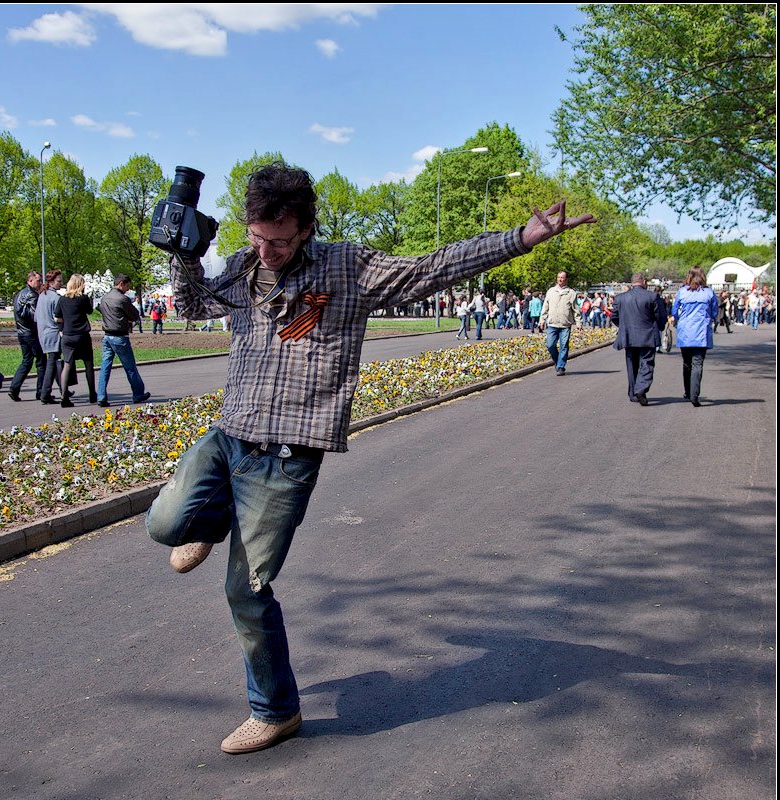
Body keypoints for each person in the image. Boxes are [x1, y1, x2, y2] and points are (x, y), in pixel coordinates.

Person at [144, 161, 595, 755]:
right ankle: (208, 519)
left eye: (279, 241)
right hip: (229, 432)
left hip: (286, 455)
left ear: (305, 229)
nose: (267, 252)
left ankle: (275, 711)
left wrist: (521, 238)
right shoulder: (243, 267)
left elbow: (430, 270)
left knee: (246, 592)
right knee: (165, 524)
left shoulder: (346, 268)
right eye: (257, 239)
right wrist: (185, 256)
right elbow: (195, 307)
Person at [610, 272, 667, 406]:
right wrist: (660, 326)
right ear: (644, 282)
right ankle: (640, 389)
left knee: (632, 365)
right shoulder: (652, 296)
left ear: (632, 283)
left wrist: (624, 326)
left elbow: (614, 316)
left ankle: (633, 393)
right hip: (647, 336)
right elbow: (661, 316)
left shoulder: (620, 298)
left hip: (629, 336)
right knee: (647, 364)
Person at [96, 274, 151, 408]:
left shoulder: (105, 298)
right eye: (127, 286)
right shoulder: (122, 299)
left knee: (105, 367)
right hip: (120, 336)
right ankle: (138, 393)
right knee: (130, 367)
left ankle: (101, 395)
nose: (128, 289)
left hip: (107, 336)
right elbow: (134, 314)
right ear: (121, 284)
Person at [671, 266, 719, 407]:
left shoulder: (682, 292)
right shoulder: (709, 293)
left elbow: (674, 311)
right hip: (701, 333)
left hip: (685, 332)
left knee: (687, 363)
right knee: (698, 363)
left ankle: (687, 391)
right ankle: (694, 394)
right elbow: (714, 312)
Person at [53, 274, 97, 407]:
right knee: (88, 365)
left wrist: (61, 329)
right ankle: (92, 394)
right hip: (82, 335)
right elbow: (89, 311)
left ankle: (64, 396)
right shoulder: (83, 299)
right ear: (81, 285)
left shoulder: (62, 299)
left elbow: (57, 317)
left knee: (67, 365)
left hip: (67, 336)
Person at [7, 271, 47, 402]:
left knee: (27, 360)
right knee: (41, 361)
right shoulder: (32, 295)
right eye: (38, 280)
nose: (40, 283)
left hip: (21, 332)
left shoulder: (20, 294)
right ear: (30, 281)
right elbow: (35, 316)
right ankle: (41, 392)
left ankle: (14, 388)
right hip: (31, 333)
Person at [36, 270, 72, 404]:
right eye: (59, 281)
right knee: (53, 363)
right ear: (51, 282)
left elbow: (36, 317)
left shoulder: (42, 296)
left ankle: (63, 390)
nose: (61, 283)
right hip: (54, 333)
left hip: (43, 333)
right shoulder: (55, 298)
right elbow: (59, 318)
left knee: (53, 362)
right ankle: (45, 393)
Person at [539, 271, 582, 376]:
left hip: (565, 325)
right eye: (558, 277)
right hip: (552, 324)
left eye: (562, 277)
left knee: (564, 346)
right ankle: (558, 361)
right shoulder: (551, 291)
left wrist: (579, 323)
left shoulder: (571, 293)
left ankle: (560, 367)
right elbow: (545, 306)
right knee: (550, 345)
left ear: (566, 279)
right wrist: (542, 319)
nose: (560, 279)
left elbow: (576, 309)